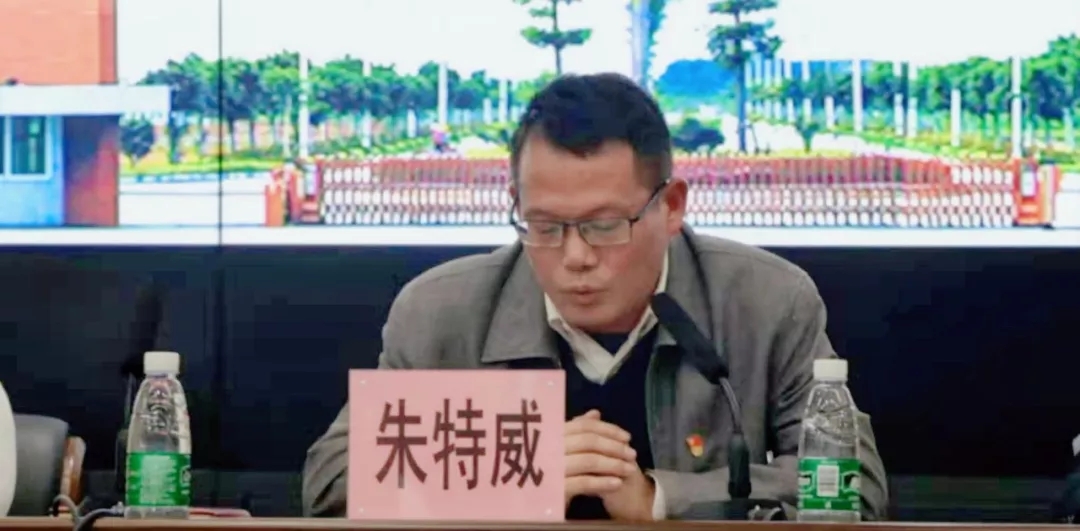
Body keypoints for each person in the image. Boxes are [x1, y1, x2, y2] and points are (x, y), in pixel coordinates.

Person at [302, 73, 888, 520]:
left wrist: (661, 499)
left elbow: (855, 489)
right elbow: (331, 486)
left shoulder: (766, 302)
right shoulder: (441, 312)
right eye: (544, 226)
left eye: (605, 226)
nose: (575, 256)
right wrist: (514, 475)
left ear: (672, 206)